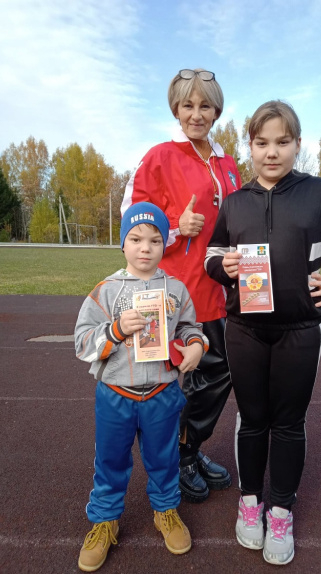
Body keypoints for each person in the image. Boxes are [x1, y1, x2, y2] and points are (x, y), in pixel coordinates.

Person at [205, 100, 321, 565]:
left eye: (282, 142)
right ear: (249, 146)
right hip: (244, 330)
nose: (272, 152)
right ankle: (250, 503)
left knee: (287, 423)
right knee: (251, 419)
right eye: (262, 142)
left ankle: (281, 511)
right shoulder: (235, 202)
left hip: (299, 330)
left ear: (298, 144)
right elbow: (212, 255)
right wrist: (224, 267)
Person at [121, 68, 242, 503]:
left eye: (205, 105)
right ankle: (173, 461)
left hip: (217, 291)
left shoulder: (228, 163)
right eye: (188, 105)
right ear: (176, 109)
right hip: (170, 293)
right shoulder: (159, 157)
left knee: (218, 373)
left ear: (217, 111)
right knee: (170, 381)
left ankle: (187, 450)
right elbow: (131, 220)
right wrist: (175, 225)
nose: (196, 114)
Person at [73, 202, 207, 572]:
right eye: (135, 239)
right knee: (110, 460)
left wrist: (196, 346)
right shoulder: (106, 291)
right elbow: (82, 343)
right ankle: (105, 519)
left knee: (164, 459)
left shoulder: (175, 289)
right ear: (123, 244)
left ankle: (166, 510)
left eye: (154, 240)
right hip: (115, 395)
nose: (145, 248)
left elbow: (190, 328)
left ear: (165, 244)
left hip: (162, 394)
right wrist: (115, 330)